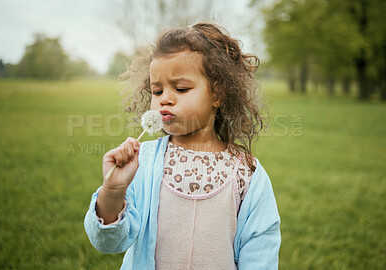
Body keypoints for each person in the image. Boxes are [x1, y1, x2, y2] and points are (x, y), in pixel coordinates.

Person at [84, 22, 281, 269]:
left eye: (181, 88)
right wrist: (113, 190)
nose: (165, 98)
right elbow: (109, 242)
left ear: (218, 94)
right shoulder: (141, 161)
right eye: (157, 91)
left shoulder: (247, 173)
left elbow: (260, 248)